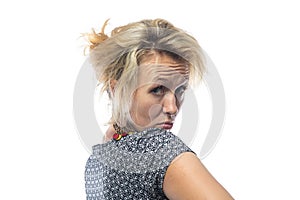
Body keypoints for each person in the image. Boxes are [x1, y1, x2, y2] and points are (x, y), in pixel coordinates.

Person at [83, 18, 233, 200]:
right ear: (116, 90)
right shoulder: (160, 149)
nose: (173, 107)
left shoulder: (100, 158)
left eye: (180, 90)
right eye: (157, 89)